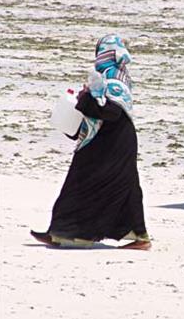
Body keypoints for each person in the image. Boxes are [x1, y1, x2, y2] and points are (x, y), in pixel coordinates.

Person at [31, 34, 151, 249]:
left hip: (112, 141)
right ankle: (136, 235)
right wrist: (88, 95)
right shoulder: (108, 74)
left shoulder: (115, 77)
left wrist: (88, 97)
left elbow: (112, 111)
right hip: (109, 139)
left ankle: (67, 232)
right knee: (124, 187)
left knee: (86, 182)